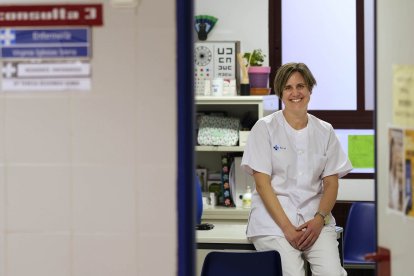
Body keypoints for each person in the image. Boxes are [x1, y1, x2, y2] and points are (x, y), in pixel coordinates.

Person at [241, 62, 352, 276]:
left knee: (332, 273)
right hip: (274, 223)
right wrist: (287, 229)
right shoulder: (264, 128)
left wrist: (319, 220)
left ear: (310, 89)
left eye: (301, 86)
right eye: (288, 87)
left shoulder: (325, 131)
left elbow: (331, 183)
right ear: (281, 93)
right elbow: (263, 185)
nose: (295, 93)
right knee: (293, 274)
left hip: (315, 221)